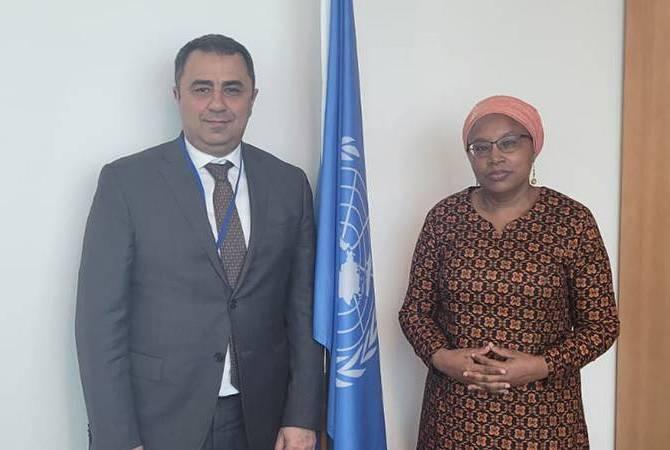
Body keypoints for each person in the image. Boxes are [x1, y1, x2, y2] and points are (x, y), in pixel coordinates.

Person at [75, 34, 323, 450]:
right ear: (178, 95)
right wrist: (117, 437)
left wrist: (302, 415)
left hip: (263, 419)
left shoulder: (289, 184)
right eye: (202, 88)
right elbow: (99, 323)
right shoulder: (126, 183)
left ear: (253, 98)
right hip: (159, 421)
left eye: (233, 89)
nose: (218, 104)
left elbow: (304, 310)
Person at [398, 95, 619, 449]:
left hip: (545, 419)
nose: (495, 157)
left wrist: (543, 365)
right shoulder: (444, 218)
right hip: (455, 417)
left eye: (509, 143)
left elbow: (602, 324)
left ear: (534, 147)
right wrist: (442, 358)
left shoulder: (571, 221)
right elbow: (414, 312)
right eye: (481, 147)